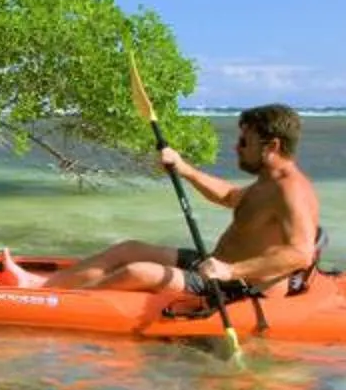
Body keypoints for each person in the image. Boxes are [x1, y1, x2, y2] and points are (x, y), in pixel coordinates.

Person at [31, 103, 320, 300]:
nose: (237, 148)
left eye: (244, 142)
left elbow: (300, 254)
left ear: (272, 146)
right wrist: (184, 169)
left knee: (137, 272)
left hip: (239, 287)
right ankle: (41, 285)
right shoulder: (268, 181)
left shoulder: (291, 190)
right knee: (129, 250)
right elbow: (230, 196)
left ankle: (67, 303)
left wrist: (230, 271)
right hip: (215, 268)